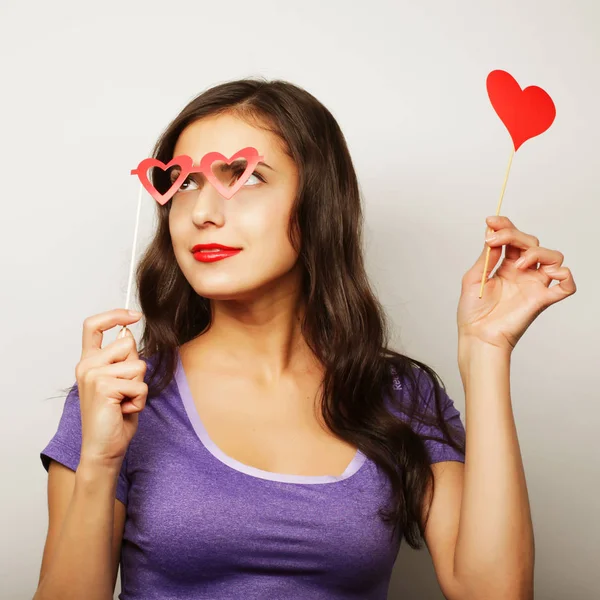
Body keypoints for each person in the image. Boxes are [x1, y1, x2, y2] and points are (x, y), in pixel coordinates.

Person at [34, 78, 576, 600]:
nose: (201, 213)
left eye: (243, 177)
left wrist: (486, 350)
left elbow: (496, 593)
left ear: (319, 200)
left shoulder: (400, 394)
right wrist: (100, 463)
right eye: (185, 181)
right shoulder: (118, 394)